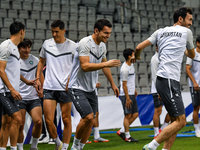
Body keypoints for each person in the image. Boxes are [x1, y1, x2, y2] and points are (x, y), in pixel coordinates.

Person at [131, 7, 195, 150]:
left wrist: (138, 54)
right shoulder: (186, 32)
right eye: (189, 19)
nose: (191, 23)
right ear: (180, 19)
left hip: (163, 80)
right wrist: (184, 48)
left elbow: (139, 46)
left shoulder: (160, 31)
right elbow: (192, 55)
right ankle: (151, 146)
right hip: (169, 79)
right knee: (181, 121)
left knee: (174, 121)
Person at [68, 19, 121, 150]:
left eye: (109, 33)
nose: (108, 36)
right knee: (88, 117)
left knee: (91, 120)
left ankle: (80, 147)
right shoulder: (85, 43)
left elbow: (105, 67)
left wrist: (113, 84)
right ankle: (74, 147)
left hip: (91, 88)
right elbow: (85, 66)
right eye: (105, 33)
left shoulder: (102, 45)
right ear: (96, 31)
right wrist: (106, 63)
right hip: (76, 87)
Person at [35, 19, 77, 150]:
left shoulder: (73, 46)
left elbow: (78, 66)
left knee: (66, 120)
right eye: (52, 32)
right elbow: (41, 61)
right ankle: (57, 142)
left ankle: (64, 147)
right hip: (49, 87)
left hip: (65, 88)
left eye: (57, 32)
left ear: (63, 31)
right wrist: (37, 77)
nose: (54, 34)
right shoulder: (47, 44)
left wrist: (71, 79)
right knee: (48, 121)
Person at [0, 21, 25, 150]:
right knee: (17, 119)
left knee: (7, 122)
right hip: (5, 91)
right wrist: (12, 89)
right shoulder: (6, 46)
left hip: (10, 91)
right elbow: (0, 70)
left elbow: (12, 71)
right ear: (22, 31)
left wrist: (26, 81)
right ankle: (14, 148)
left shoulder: (15, 48)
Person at [16, 38, 43, 150]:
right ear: (18, 48)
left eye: (28, 47)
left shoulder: (35, 60)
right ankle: (20, 148)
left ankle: (34, 146)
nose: (27, 50)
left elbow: (40, 75)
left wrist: (41, 88)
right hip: (19, 97)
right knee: (20, 125)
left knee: (39, 122)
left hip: (33, 97)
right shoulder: (14, 61)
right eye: (24, 47)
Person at [117, 48, 139, 142]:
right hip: (126, 95)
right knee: (128, 115)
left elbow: (130, 81)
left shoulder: (131, 65)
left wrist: (134, 90)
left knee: (135, 114)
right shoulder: (124, 69)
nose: (135, 56)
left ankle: (122, 131)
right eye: (133, 54)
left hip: (131, 93)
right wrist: (127, 98)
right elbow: (124, 85)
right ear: (129, 56)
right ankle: (127, 136)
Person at [150, 45, 170, 138]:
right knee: (158, 111)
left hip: (165, 88)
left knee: (171, 109)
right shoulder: (155, 59)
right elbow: (154, 76)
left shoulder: (163, 57)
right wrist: (159, 91)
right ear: (156, 47)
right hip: (157, 89)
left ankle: (163, 128)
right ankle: (156, 133)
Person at [186, 35, 200, 137]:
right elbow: (187, 69)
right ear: (198, 43)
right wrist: (194, 82)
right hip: (195, 85)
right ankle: (197, 130)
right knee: (196, 108)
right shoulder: (192, 54)